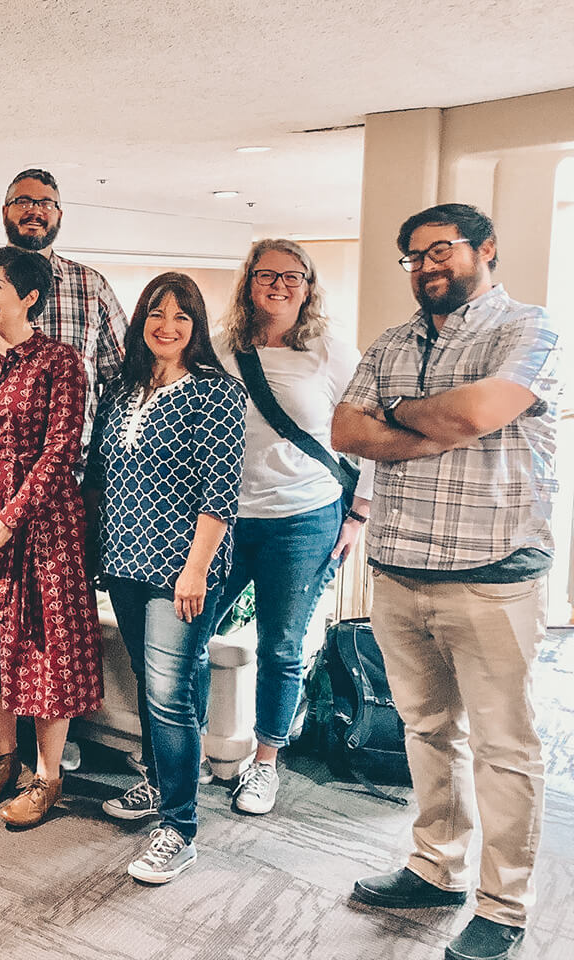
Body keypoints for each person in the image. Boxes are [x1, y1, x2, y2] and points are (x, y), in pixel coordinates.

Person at [333, 203, 562, 960]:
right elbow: (346, 430)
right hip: (398, 570)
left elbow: (476, 412)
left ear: (484, 249)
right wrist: (434, 424)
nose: (427, 267)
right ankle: (436, 868)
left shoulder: (530, 330)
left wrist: (398, 414)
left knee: (505, 748)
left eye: (441, 251)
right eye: (414, 258)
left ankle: (505, 904)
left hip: (492, 576)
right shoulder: (393, 340)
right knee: (428, 733)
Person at [0, 167, 127, 751]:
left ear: (60, 213)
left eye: (46, 202)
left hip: (55, 493)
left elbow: (112, 381)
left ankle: (52, 749)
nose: (34, 210)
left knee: (45, 628)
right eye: (22, 201)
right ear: (5, 209)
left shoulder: (89, 291)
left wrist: (91, 478)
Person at [187, 238, 373, 818]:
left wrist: (359, 513)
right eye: (267, 275)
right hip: (224, 516)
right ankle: (181, 749)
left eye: (294, 277)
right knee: (187, 636)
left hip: (304, 518)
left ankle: (264, 763)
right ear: (248, 282)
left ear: (309, 286)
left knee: (282, 646)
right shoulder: (221, 348)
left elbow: (371, 426)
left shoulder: (330, 350)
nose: (280, 285)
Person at [87, 271, 245, 881]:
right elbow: (105, 476)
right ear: (140, 320)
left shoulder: (216, 393)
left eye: (182, 316)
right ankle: (157, 784)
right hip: (124, 562)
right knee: (158, 693)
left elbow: (219, 494)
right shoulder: (123, 390)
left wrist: (196, 569)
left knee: (167, 698)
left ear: (197, 327)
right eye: (157, 312)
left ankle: (179, 828)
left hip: (180, 567)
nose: (168, 325)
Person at [0, 246, 103, 829]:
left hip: (42, 534)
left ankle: (47, 775)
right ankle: (2, 759)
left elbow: (62, 451)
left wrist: (8, 519)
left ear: (30, 296)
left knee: (42, 655)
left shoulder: (62, 363)